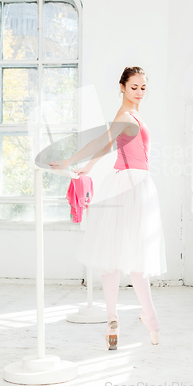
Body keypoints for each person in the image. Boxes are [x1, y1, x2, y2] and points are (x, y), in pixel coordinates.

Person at [48, 66, 167, 350]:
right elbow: (100, 143)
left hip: (129, 186)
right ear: (122, 87)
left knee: (116, 257)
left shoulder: (128, 116)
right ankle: (150, 319)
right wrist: (69, 163)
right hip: (134, 185)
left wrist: (86, 166)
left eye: (143, 88)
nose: (139, 93)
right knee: (132, 258)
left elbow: (107, 147)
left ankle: (113, 319)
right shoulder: (126, 116)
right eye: (134, 87)